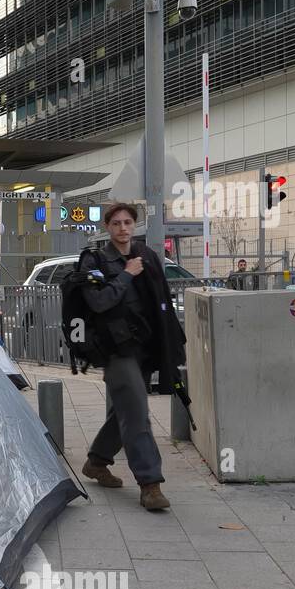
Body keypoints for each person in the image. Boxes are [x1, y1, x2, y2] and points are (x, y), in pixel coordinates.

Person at [76, 204, 188, 511]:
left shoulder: (147, 255)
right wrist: (125, 275)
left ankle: (97, 462)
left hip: (146, 347)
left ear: (134, 226)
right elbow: (98, 302)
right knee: (138, 413)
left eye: (127, 222)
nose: (123, 228)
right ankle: (150, 485)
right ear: (107, 228)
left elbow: (161, 299)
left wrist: (171, 343)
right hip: (115, 350)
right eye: (116, 223)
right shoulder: (95, 260)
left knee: (128, 408)